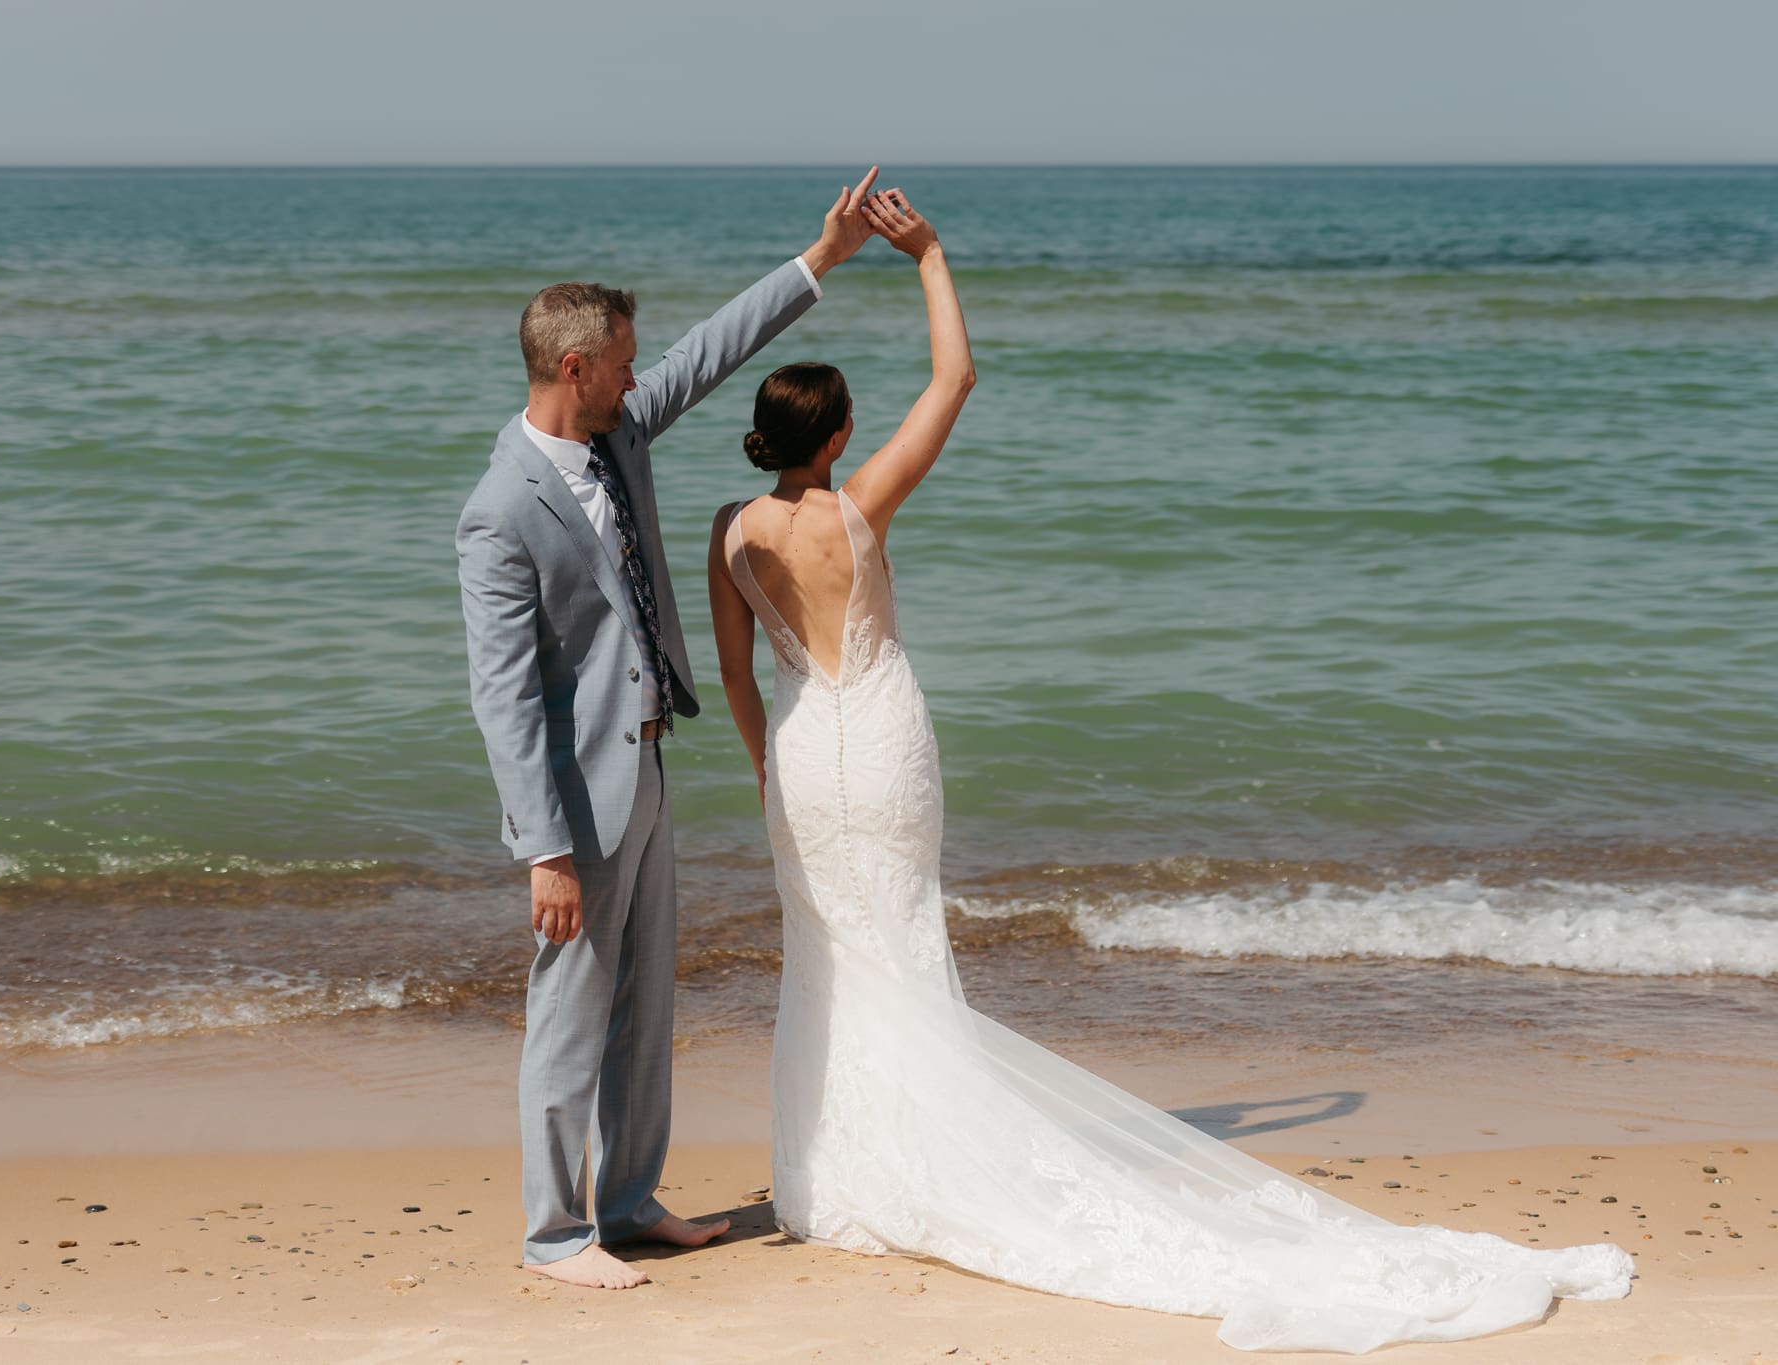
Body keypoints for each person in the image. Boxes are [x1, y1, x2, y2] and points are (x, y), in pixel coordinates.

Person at [706, 189, 1633, 1352]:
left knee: (833, 955)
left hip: (798, 759)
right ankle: (921, 1163)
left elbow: (737, 679)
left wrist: (757, 767)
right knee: (900, 942)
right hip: (882, 746)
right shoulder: (856, 512)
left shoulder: (731, 530)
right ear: (836, 438)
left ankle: (839, 1177)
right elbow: (954, 384)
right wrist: (928, 256)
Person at [456, 168, 883, 1291]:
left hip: (647, 763)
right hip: (576, 802)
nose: (641, 377)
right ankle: (555, 1236)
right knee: (569, 1014)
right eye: (623, 364)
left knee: (648, 1003)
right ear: (573, 368)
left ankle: (632, 1200)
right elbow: (501, 695)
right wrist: (540, 849)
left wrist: (821, 257)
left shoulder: (620, 434)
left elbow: (710, 351)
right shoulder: (498, 511)